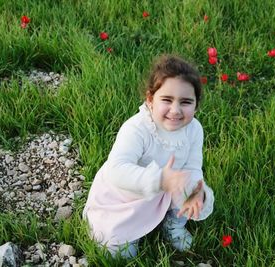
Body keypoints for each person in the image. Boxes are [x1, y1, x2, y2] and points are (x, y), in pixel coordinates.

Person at [83, 54, 214, 258]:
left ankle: (173, 222)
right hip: (125, 196)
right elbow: (116, 170)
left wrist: (196, 191)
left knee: (194, 189)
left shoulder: (194, 129)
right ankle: (127, 229)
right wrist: (159, 179)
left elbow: (193, 167)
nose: (176, 110)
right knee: (117, 254)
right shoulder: (137, 128)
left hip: (168, 188)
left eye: (186, 102)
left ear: (196, 105)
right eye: (167, 100)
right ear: (150, 99)